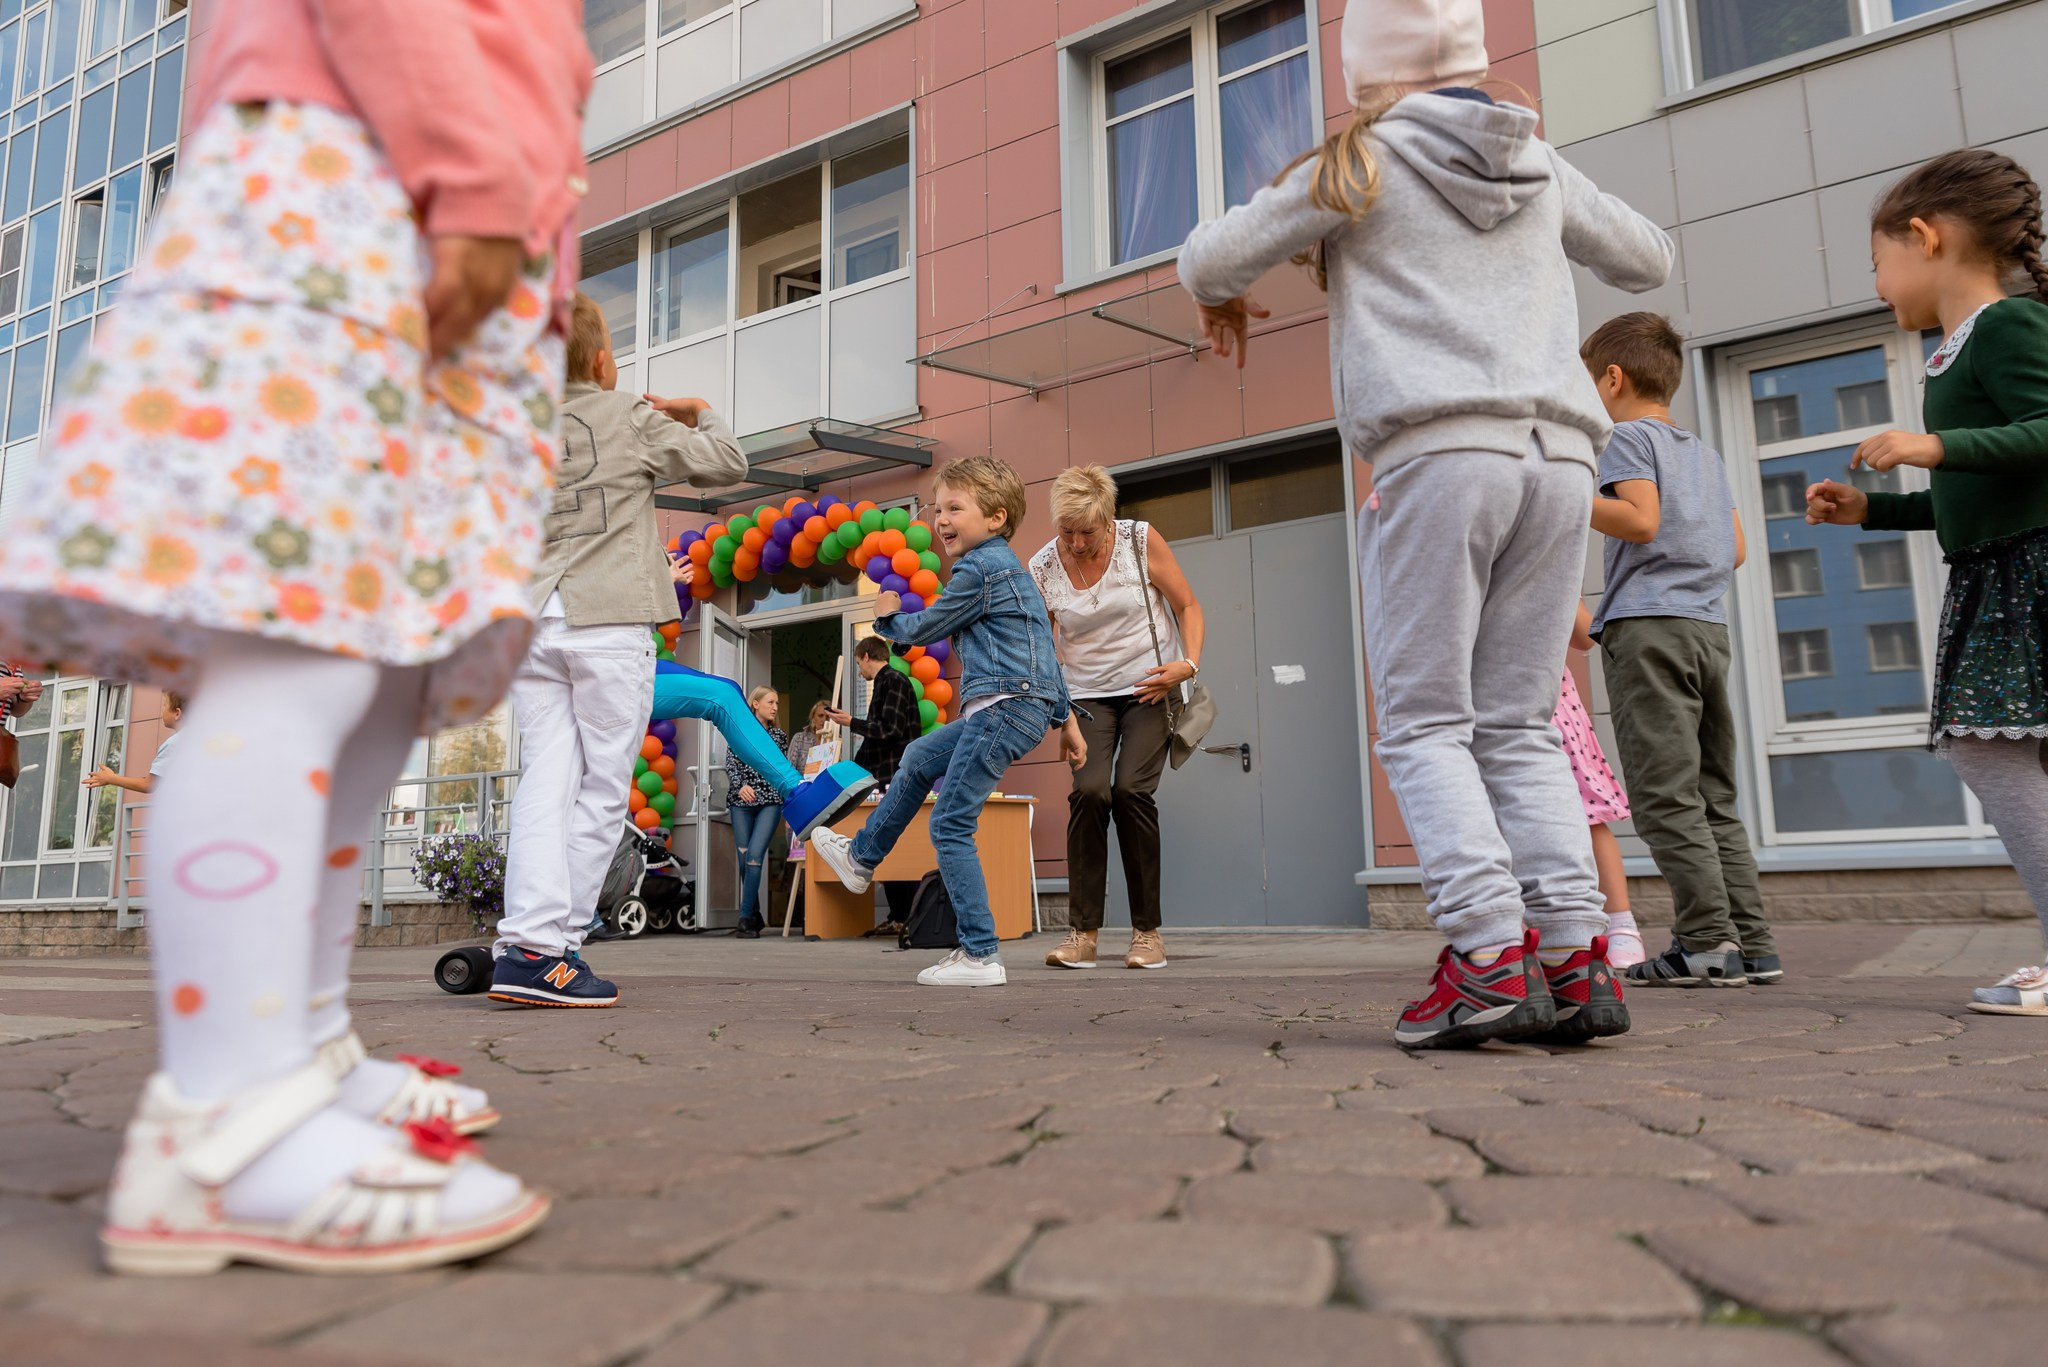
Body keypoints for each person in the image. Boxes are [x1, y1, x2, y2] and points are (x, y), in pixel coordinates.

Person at [0, 0, 592, 1273]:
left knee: (372, 679)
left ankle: (298, 1048)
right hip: (353, 189)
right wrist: (482, 184)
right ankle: (226, 1114)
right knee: (297, 658)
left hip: (403, 200)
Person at [1177, 0, 1670, 1047]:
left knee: (1422, 721)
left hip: (1440, 452)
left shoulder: (1356, 166)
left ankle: (1486, 953)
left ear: (1367, 73)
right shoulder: (1536, 162)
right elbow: (1645, 260)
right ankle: (1574, 961)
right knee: (1520, 723)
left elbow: (1204, 262)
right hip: (1559, 461)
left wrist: (1232, 285)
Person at [1805, 147, 2048, 1017]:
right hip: (1997, 570)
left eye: (1877, 262)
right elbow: (1971, 494)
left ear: (1925, 237)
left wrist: (1932, 444)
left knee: (1989, 746)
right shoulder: (1952, 352)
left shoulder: (2009, 327)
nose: (1877, 285)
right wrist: (1869, 512)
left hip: (2030, 573)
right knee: (2013, 751)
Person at [490, 293, 747, 1007]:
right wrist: (698, 415)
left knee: (544, 780)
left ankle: (522, 938)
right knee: (604, 789)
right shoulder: (629, 414)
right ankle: (551, 948)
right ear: (603, 361)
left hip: (533, 619)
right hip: (607, 622)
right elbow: (726, 463)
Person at [809, 458, 1076, 986]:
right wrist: (1065, 718)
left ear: (997, 518)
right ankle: (862, 859)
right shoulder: (1010, 571)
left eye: (956, 508)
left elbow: (930, 623)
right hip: (1017, 706)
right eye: (937, 508)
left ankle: (980, 955)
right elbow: (1043, 646)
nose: (941, 518)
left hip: (1003, 707)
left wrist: (884, 616)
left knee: (950, 822)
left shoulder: (981, 568)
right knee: (917, 757)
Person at [1584, 312, 1777, 989]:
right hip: (1707, 630)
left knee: (1665, 795)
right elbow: (1738, 549)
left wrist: (1562, 493)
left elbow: (1638, 519)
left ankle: (1701, 943)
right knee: (1713, 794)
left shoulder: (1624, 437)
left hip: (1649, 630)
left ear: (1611, 378)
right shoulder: (1701, 451)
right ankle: (1752, 943)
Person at [1029, 465, 1204, 971]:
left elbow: (1188, 605)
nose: (1078, 543)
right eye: (1068, 532)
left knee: (1130, 791)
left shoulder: (1139, 540)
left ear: (1109, 519)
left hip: (1149, 688)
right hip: (1085, 697)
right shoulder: (1042, 568)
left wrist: (1187, 665)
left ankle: (1147, 934)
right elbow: (1043, 651)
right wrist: (1062, 718)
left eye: (1089, 531)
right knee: (1089, 792)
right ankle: (1083, 935)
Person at [825, 634, 924, 938]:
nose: (860, 671)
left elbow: (890, 730)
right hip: (884, 773)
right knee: (888, 844)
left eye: (858, 663)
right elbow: (879, 736)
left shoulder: (891, 680)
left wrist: (851, 722)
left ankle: (906, 916)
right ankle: (898, 915)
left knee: (895, 843)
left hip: (893, 774)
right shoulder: (888, 682)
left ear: (867, 656)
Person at [1559, 609, 1642, 968]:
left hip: (1550, 702)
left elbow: (1584, 637)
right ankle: (1514, 931)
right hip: (1481, 700)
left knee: (1587, 812)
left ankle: (1621, 925)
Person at [726, 685, 789, 938]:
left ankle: (744, 917)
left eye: (776, 703)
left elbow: (779, 770)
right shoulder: (738, 730)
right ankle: (755, 915)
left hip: (769, 802)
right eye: (770, 702)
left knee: (754, 857)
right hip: (741, 802)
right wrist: (740, 786)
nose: (775, 707)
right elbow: (731, 762)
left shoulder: (779, 736)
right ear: (755, 704)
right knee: (744, 859)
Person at [83, 692, 185, 796]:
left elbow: (149, 785)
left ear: (177, 713)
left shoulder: (174, 744)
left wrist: (111, 778)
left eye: (164, 705)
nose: (162, 710)